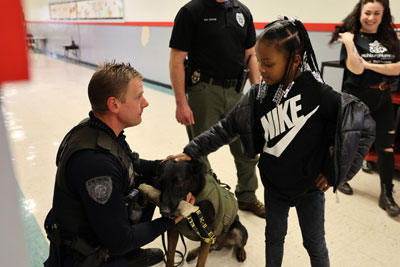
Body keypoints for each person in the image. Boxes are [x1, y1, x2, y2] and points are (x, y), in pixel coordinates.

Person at [166, 17, 375, 266]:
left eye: (268, 63)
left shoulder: (321, 95)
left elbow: (364, 129)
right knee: (274, 238)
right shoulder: (258, 95)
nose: (261, 70)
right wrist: (193, 149)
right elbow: (227, 127)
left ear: (295, 61)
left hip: (310, 190)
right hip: (274, 187)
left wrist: (334, 174)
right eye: (258, 61)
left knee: (315, 245)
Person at [43, 62, 193, 267]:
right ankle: (124, 258)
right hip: (85, 258)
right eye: (139, 96)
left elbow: (131, 164)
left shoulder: (96, 130)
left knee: (148, 182)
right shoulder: (96, 163)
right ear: (114, 104)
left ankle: (130, 254)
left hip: (94, 232)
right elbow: (119, 241)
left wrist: (166, 166)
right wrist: (170, 220)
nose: (146, 102)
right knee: (131, 218)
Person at [169, 0, 265, 218]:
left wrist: (257, 92)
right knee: (199, 152)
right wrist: (180, 102)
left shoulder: (243, 12)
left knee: (247, 147)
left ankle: (247, 196)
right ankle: (208, 203)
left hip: (236, 92)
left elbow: (250, 54)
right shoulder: (190, 12)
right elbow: (177, 59)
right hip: (204, 91)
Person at [329, 0, 400, 216]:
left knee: (386, 146)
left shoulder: (389, 36)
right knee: (349, 141)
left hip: (383, 96)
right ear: (359, 13)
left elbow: (397, 68)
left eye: (377, 13)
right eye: (367, 12)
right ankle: (339, 178)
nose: (371, 17)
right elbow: (355, 69)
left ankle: (386, 193)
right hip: (358, 97)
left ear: (383, 14)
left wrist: (367, 64)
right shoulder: (351, 36)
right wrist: (350, 44)